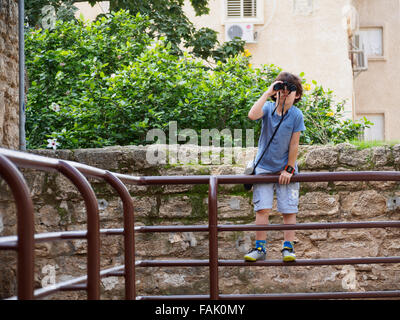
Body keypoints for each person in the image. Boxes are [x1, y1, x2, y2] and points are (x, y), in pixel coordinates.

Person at [244, 71, 306, 262]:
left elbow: (294, 144)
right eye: (281, 90)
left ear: (297, 96)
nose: (285, 95)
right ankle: (260, 248)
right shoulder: (268, 108)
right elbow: (252, 115)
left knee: (289, 209)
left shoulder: (296, 115)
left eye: (290, 91)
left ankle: (288, 248)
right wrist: (267, 93)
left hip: (285, 167)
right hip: (263, 166)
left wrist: (289, 168)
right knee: (262, 209)